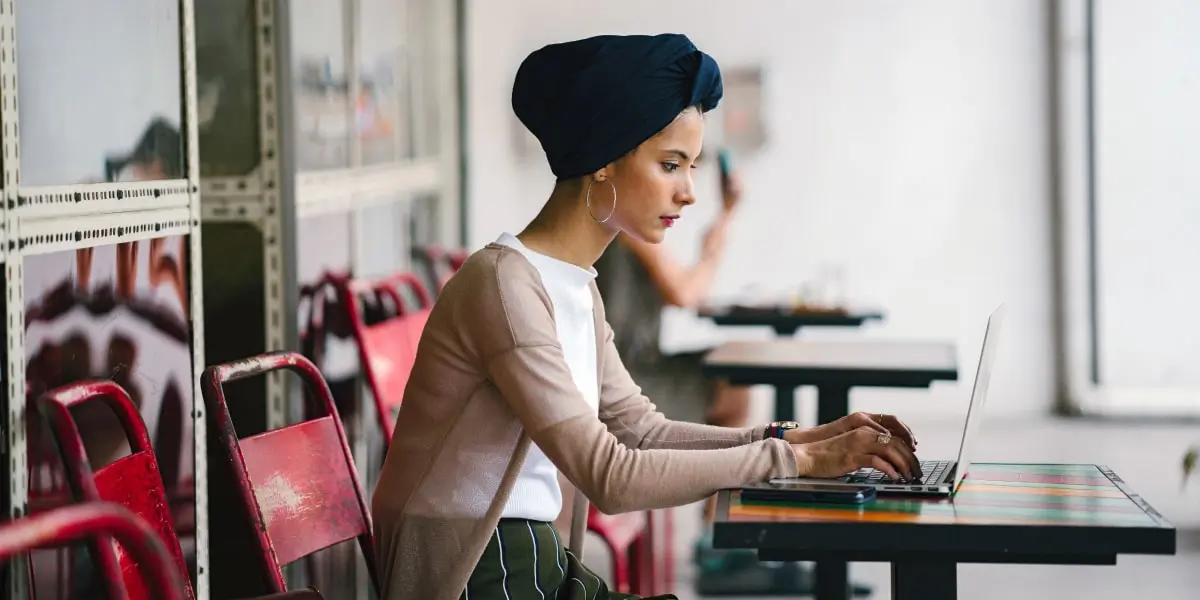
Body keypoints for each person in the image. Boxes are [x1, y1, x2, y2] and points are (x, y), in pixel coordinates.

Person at [370, 33, 920, 600]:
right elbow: (610, 475)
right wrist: (795, 460)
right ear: (606, 160)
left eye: (692, 167)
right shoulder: (503, 285)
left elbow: (644, 430)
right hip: (473, 571)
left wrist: (795, 437)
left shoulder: (574, 286)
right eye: (671, 165)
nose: (689, 193)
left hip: (530, 560)